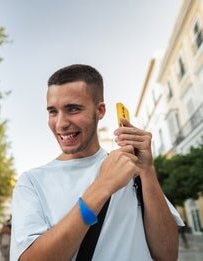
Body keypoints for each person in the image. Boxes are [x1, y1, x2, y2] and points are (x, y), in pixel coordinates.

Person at [10, 64, 184, 261]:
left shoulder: (130, 167)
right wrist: (102, 187)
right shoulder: (31, 182)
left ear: (100, 110)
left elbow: (168, 255)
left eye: (73, 109)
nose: (60, 123)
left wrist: (147, 169)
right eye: (53, 112)